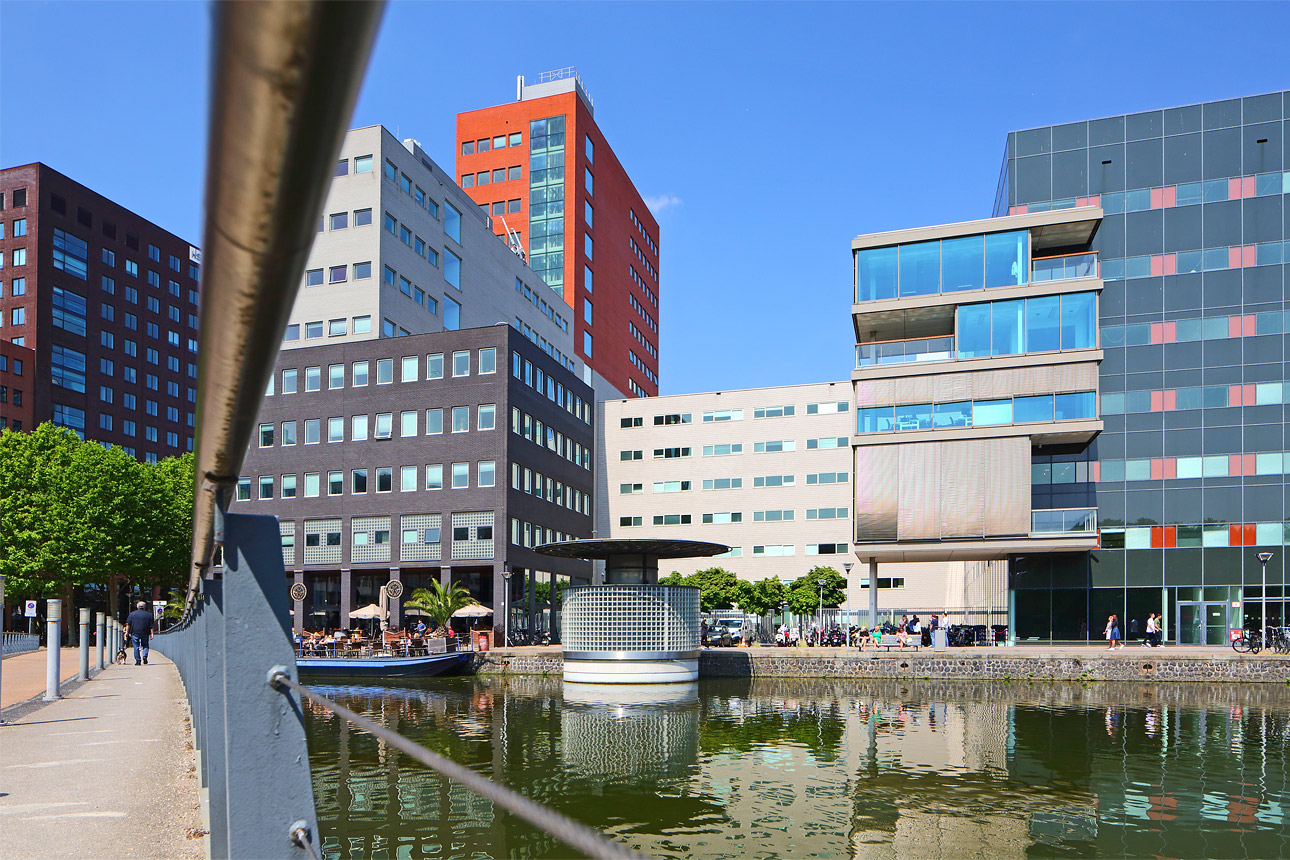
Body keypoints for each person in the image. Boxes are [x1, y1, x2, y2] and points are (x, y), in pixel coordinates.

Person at [125, 600, 155, 666]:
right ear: (145, 607)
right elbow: (151, 626)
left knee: (136, 646)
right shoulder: (149, 615)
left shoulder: (132, 614)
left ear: (137, 607)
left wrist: (127, 632)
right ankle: (145, 656)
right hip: (145, 632)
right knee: (145, 645)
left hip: (135, 632)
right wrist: (152, 633)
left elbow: (128, 624)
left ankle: (138, 661)